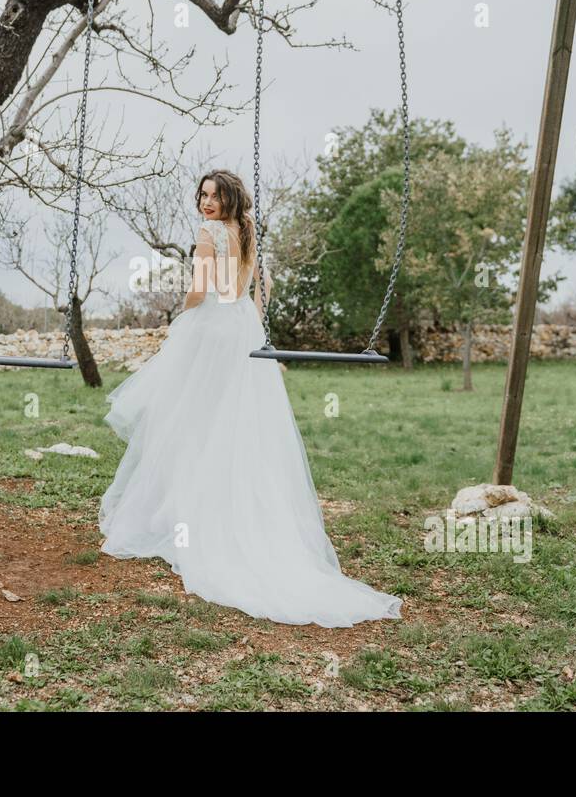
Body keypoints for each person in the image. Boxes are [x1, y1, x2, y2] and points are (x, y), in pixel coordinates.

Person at [98, 169, 403, 627]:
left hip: (212, 329)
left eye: (214, 196)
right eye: (202, 195)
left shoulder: (208, 233)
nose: (206, 203)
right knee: (237, 421)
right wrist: (250, 321)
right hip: (242, 326)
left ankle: (188, 514)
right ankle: (227, 510)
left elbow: (199, 290)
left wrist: (179, 321)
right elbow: (256, 286)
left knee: (189, 419)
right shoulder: (246, 230)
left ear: (228, 199)